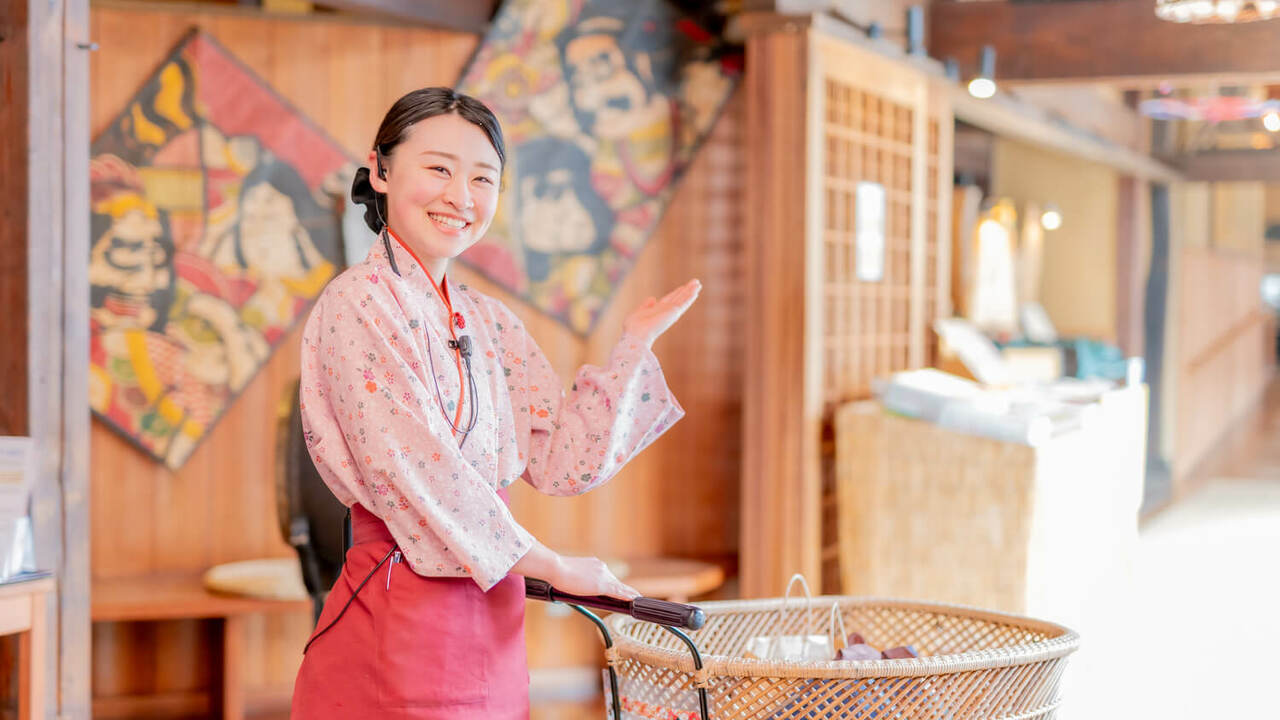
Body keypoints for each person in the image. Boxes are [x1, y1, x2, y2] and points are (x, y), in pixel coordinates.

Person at [290, 86, 700, 719]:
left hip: (494, 616)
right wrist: (554, 565)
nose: (461, 196)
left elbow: (563, 462)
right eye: (439, 169)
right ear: (381, 170)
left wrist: (632, 347)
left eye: (483, 178)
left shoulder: (490, 321)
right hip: (396, 612)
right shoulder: (357, 303)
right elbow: (420, 473)